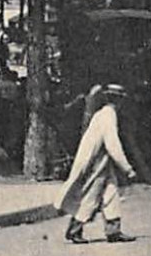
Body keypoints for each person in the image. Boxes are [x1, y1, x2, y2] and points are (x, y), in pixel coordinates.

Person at [54, 84, 137, 244]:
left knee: (111, 193)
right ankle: (75, 229)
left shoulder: (102, 114)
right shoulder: (108, 116)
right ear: (118, 101)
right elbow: (113, 144)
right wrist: (127, 168)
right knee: (90, 196)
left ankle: (114, 230)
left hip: (101, 161)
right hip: (95, 163)